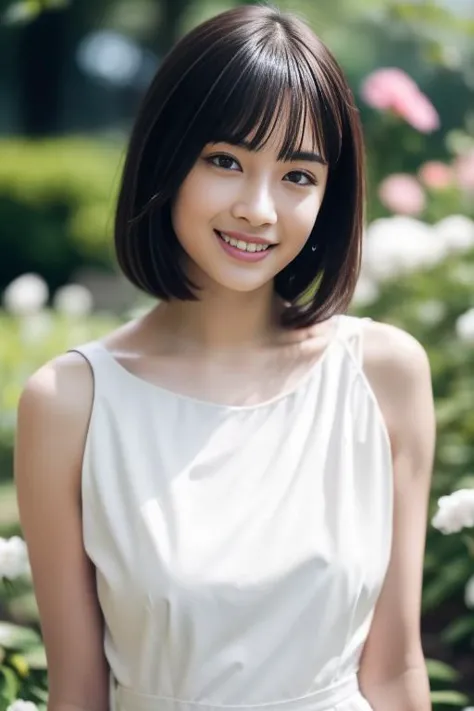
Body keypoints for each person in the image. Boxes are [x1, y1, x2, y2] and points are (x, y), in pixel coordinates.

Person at [14, 5, 435, 711]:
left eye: (298, 175)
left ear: (330, 196)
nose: (258, 208)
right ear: (167, 157)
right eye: (225, 161)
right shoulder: (70, 403)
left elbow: (393, 670)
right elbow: (80, 692)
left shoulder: (383, 374)